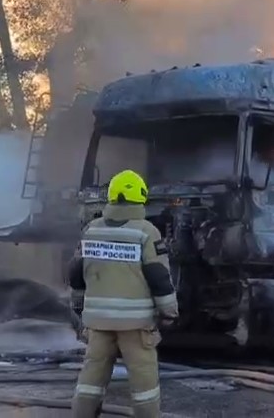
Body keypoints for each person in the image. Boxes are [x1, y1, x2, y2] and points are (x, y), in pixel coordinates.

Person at [69, 169, 179, 418]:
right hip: (135, 325)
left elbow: (75, 273)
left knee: (90, 379)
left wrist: (78, 306)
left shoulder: (92, 229)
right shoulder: (145, 232)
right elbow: (159, 277)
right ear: (140, 197)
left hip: (98, 323)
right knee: (144, 385)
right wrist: (170, 312)